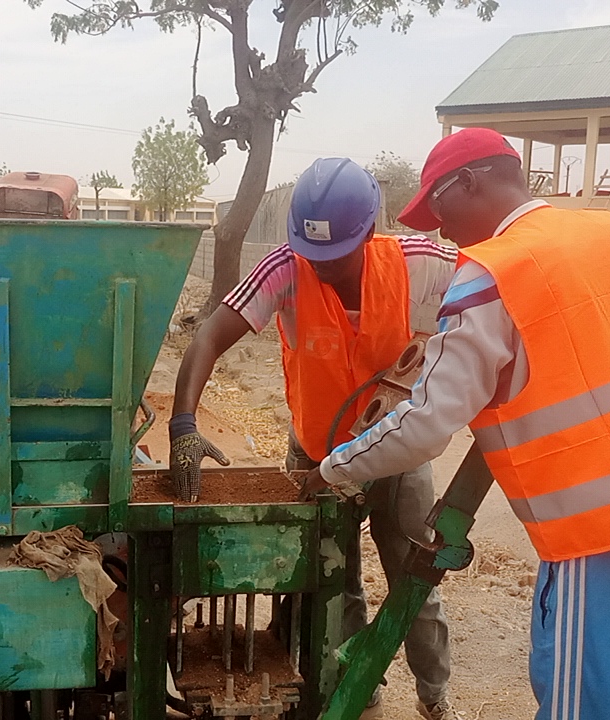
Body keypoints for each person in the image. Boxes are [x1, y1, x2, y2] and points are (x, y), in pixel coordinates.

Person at [300, 128, 610, 720]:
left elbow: (427, 423)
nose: (441, 230)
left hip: (607, 533)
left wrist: (335, 467)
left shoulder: (492, 272)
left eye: (439, 208)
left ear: (471, 180)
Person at [170, 158, 459, 720]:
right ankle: (358, 684)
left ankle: (435, 696)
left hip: (397, 453)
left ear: (369, 234)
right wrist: (184, 424)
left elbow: (496, 276)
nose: (319, 266)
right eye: (311, 252)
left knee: (415, 579)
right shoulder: (287, 266)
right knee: (334, 580)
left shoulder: (417, 261)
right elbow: (210, 334)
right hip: (316, 457)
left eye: (334, 255)